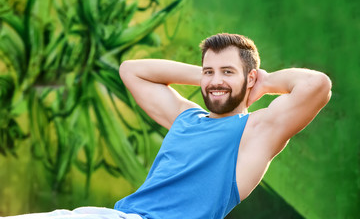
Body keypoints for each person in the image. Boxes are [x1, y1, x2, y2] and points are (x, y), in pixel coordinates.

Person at [2, 33, 332, 219]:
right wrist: (210, 75)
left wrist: (264, 81)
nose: (216, 80)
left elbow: (317, 86)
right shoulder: (186, 117)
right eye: (209, 71)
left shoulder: (255, 133)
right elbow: (131, 70)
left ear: (250, 78)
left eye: (228, 72)